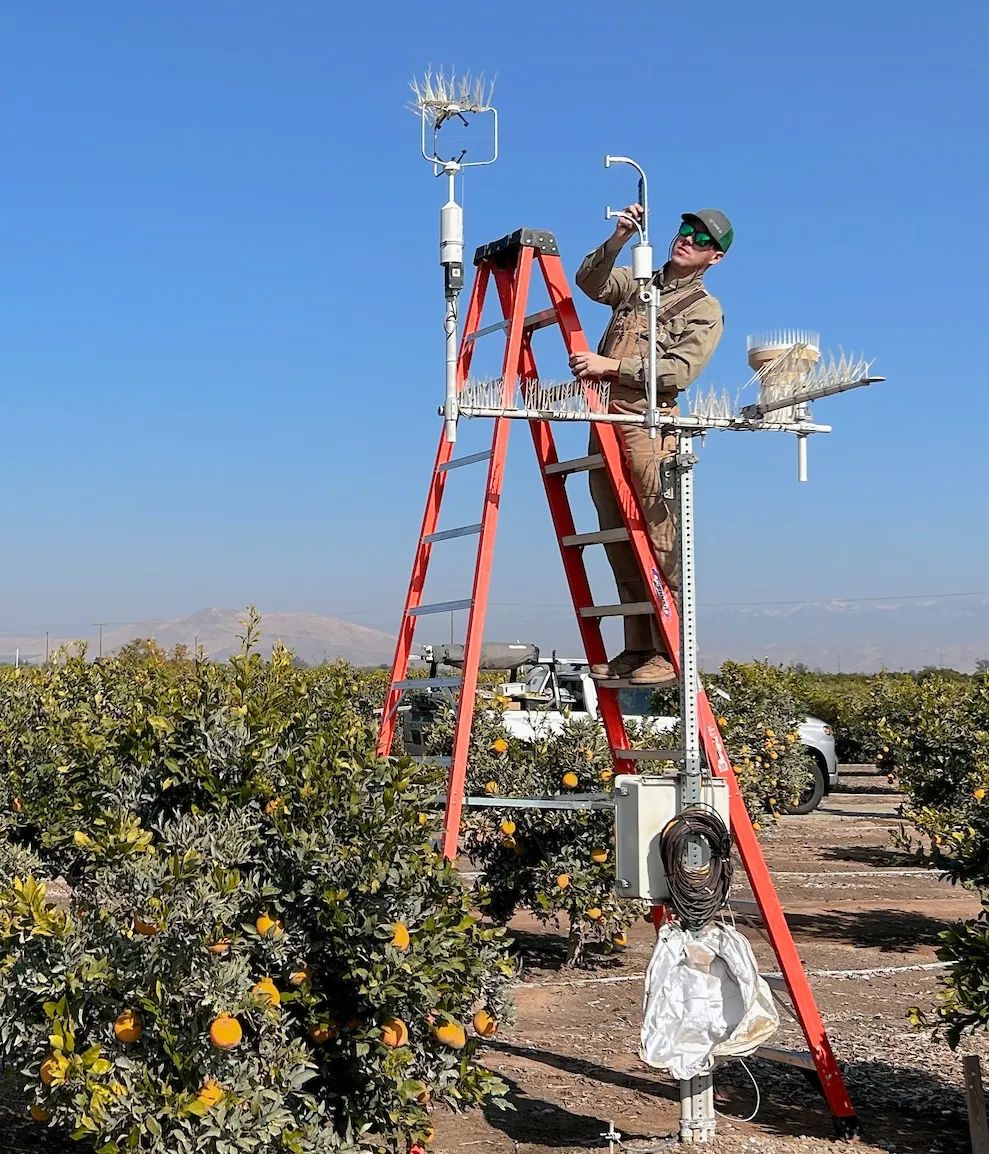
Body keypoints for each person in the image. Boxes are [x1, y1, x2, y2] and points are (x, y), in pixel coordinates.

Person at [569, 205, 732, 686]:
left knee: (660, 536)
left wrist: (611, 368)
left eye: (701, 239)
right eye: (685, 230)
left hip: (648, 423)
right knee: (617, 534)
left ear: (715, 258)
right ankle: (638, 645)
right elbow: (591, 283)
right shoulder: (641, 282)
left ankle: (672, 650)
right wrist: (619, 237)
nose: (687, 240)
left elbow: (679, 371)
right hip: (605, 419)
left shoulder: (703, 309)